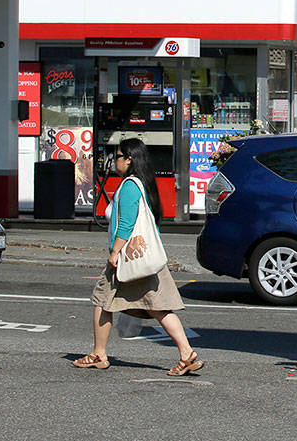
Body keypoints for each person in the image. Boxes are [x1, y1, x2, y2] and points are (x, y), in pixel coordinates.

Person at [72, 138, 203, 376]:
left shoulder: (130, 185)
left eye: (119, 156)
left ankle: (99, 354)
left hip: (128, 258)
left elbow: (126, 224)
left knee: (102, 301)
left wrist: (115, 252)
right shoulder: (141, 183)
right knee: (159, 307)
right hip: (143, 258)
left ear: (129, 159)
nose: (115, 161)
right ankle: (187, 354)